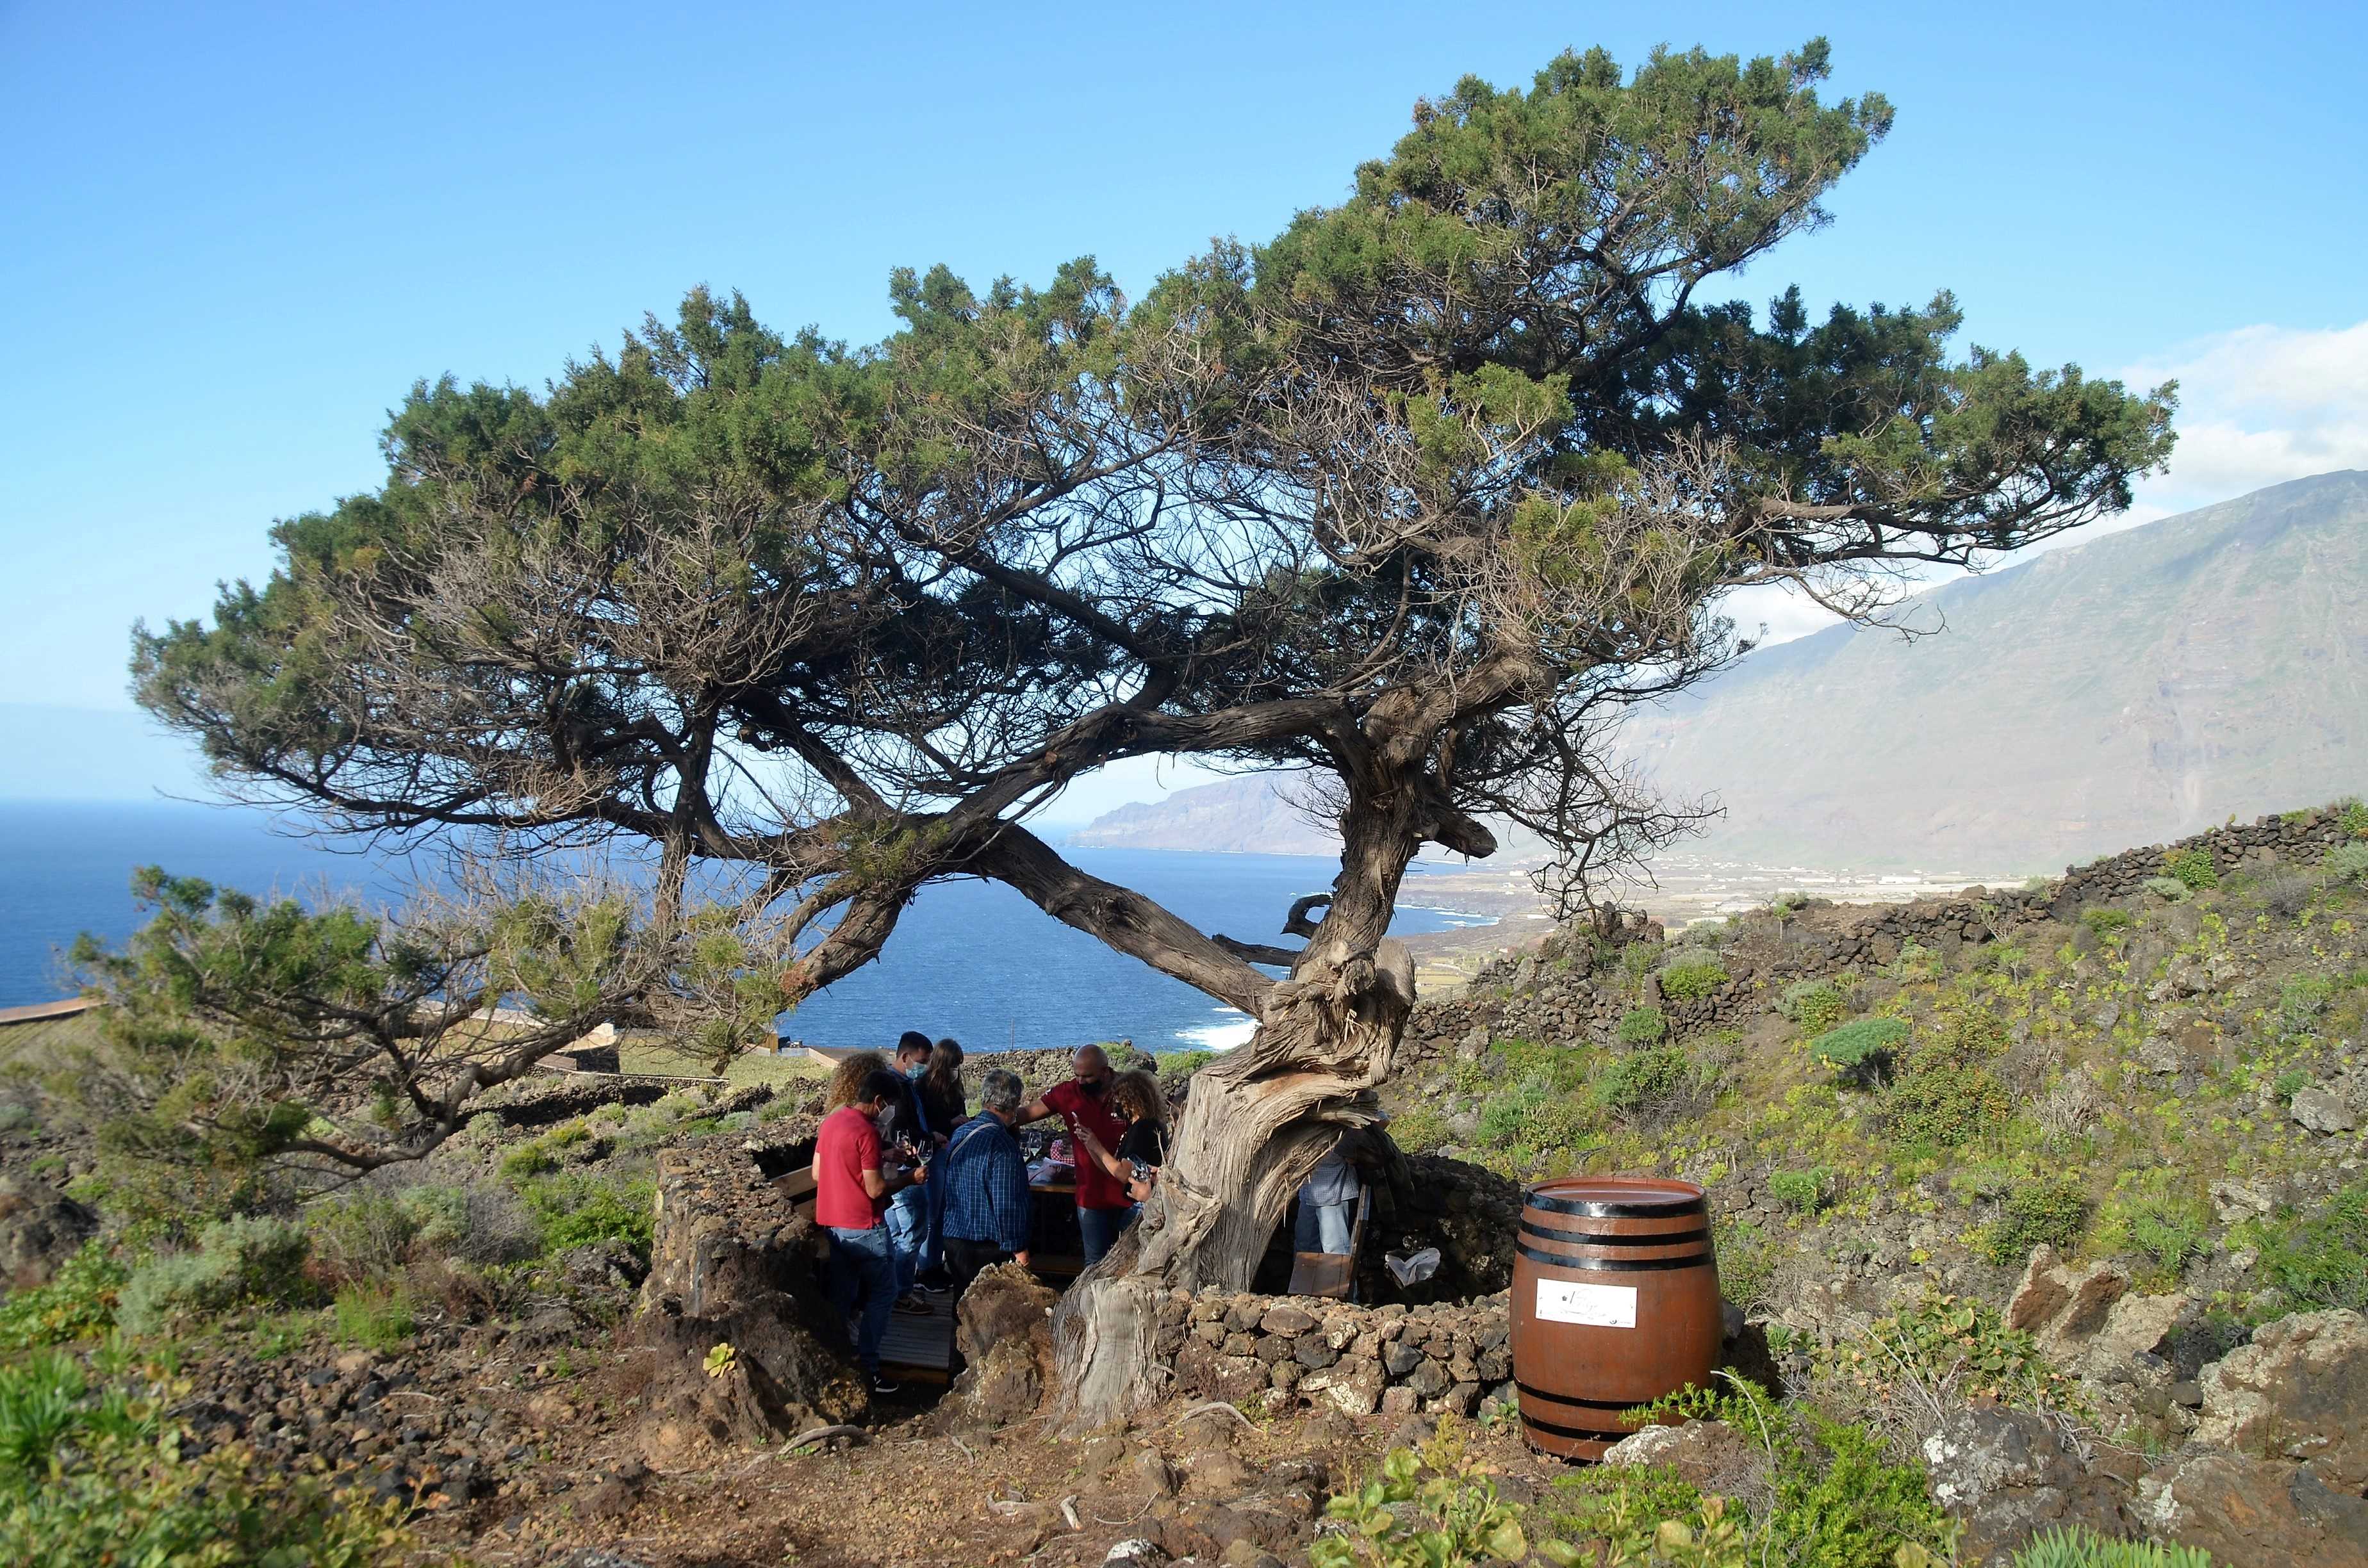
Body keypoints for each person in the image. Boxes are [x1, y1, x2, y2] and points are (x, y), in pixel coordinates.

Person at [813, 1067, 921, 1395]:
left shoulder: (832, 1121)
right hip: (864, 1226)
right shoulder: (866, 1132)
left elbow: (819, 1173)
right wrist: (910, 1179)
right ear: (877, 1101)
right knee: (884, 1293)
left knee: (843, 1296)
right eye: (888, 1105)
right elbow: (875, 1190)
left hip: (833, 1224)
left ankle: (838, 1359)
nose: (889, 1112)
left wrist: (881, 1155)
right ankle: (870, 1366)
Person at [1019, 1045, 1134, 1268]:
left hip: (1131, 1196)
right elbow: (1028, 1113)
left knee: (1131, 1263)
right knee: (1094, 1264)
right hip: (1092, 1198)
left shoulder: (1127, 1091)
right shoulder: (1068, 1092)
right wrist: (991, 1117)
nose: (1081, 1082)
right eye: (1077, 1075)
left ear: (1105, 1071)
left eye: (1088, 1076)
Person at [939, 1066, 1033, 1299]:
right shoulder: (1001, 1143)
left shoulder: (962, 1132)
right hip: (985, 1246)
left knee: (962, 1310)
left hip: (954, 1237)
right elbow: (1006, 1202)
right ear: (1013, 1104)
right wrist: (1019, 1249)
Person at [880, 1031, 937, 1312]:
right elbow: (895, 1130)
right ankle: (901, 1293)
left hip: (902, 1167)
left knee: (896, 1232)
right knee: (914, 1231)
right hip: (906, 1168)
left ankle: (896, 1287)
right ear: (905, 1057)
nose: (924, 1067)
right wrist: (922, 1142)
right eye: (922, 1061)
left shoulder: (905, 1084)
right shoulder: (895, 1088)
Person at [915, 1038, 967, 1289]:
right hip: (934, 1153)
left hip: (950, 1152)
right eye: (954, 1064)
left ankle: (935, 1263)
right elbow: (925, 1127)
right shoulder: (923, 1088)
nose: (956, 1070)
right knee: (933, 1213)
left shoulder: (954, 1087)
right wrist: (951, 1124)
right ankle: (925, 1268)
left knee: (944, 1212)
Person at [1073, 1069, 1167, 1206]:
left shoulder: (1142, 1129)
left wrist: (1097, 1146)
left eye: (1119, 1100)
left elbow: (1123, 1174)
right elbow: (1111, 1169)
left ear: (1133, 1101)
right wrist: (1089, 1144)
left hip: (1142, 1204)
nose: (1116, 1106)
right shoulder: (1143, 1126)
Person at [1295, 1131, 1363, 1256]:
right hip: (1309, 1192)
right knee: (1304, 1248)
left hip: (1334, 1194)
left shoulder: (1340, 1122)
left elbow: (1352, 1157)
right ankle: (1309, 1276)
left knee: (1335, 1251)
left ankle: (1337, 1276)